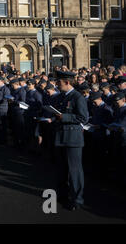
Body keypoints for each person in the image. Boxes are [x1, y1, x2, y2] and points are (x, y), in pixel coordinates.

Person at [52, 70, 89, 211]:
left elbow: (83, 118)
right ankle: (63, 194)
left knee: (75, 171)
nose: (57, 84)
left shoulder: (77, 97)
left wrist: (64, 117)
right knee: (61, 169)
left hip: (73, 139)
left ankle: (77, 199)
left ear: (67, 82)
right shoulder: (61, 96)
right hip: (61, 136)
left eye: (59, 82)